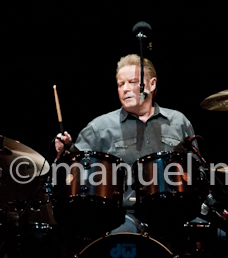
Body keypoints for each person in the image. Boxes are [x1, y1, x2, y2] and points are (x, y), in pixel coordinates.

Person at [54, 54, 197, 233]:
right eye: (121, 84)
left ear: (152, 84)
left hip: (176, 212)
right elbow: (77, 170)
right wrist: (65, 153)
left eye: (133, 82)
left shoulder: (178, 121)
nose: (126, 89)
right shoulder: (100, 127)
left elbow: (196, 173)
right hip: (124, 216)